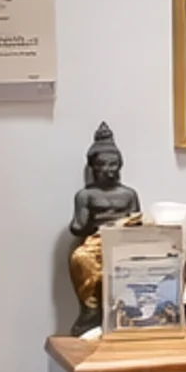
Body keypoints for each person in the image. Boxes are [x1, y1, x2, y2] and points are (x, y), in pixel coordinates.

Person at [68, 123, 142, 336]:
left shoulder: (128, 194)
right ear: (94, 167)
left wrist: (129, 224)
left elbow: (136, 220)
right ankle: (90, 309)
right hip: (96, 241)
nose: (109, 170)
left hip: (123, 240)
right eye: (103, 165)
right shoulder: (86, 195)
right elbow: (78, 226)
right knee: (80, 257)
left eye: (113, 164)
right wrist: (86, 225)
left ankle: (132, 310)